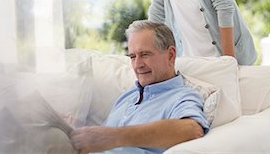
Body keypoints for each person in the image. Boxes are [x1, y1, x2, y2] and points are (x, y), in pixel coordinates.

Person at [70, 20, 209, 154]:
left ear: (171, 55)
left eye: (145, 55)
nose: (137, 65)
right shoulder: (127, 97)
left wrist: (114, 137)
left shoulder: (183, 96)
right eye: (132, 57)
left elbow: (192, 130)